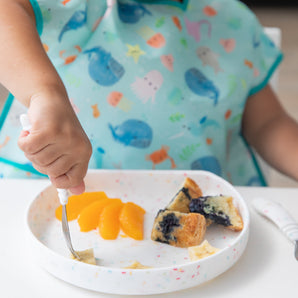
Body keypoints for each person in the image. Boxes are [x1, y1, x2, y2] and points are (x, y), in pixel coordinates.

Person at [0, 0, 298, 194]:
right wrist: (45, 94)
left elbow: (268, 123)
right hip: (55, 202)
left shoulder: (232, 21)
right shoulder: (79, 6)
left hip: (200, 216)